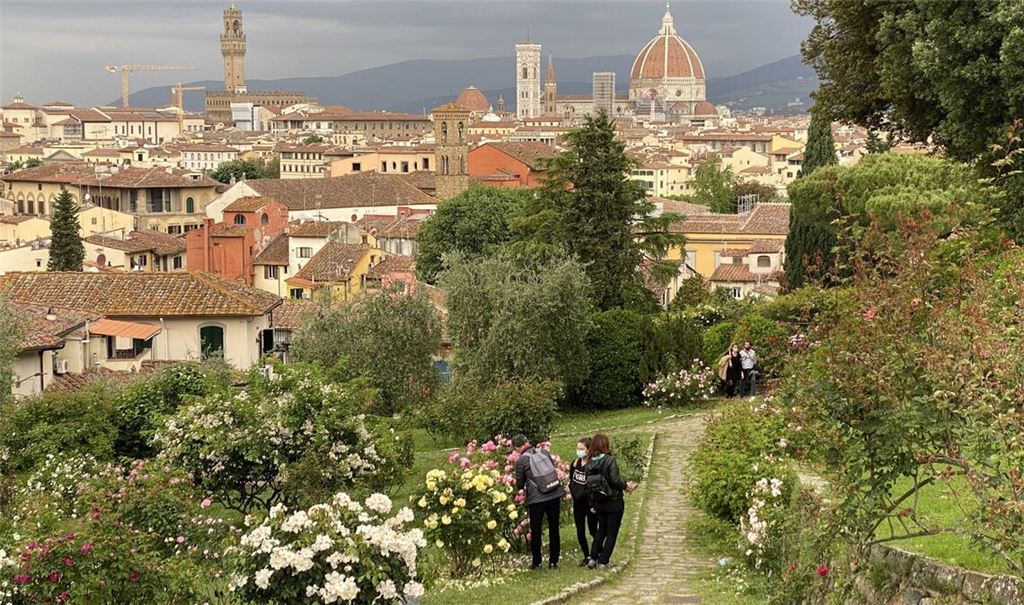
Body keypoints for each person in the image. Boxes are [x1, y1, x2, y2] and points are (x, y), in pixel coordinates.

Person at [513, 434, 562, 569]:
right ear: (527, 442)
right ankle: (553, 562)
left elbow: (520, 483)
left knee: (535, 530)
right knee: (554, 528)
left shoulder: (522, 461)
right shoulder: (544, 452)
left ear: (517, 447)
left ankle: (537, 562)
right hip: (554, 493)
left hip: (536, 499)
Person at [585, 434, 634, 569]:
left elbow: (588, 487)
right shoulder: (609, 460)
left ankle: (593, 558)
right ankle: (604, 561)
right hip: (613, 501)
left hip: (599, 502)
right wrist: (626, 486)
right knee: (612, 533)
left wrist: (592, 504)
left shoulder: (589, 464)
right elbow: (615, 480)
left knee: (601, 530)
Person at [569, 437, 598, 567]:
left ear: (588, 450)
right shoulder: (575, 464)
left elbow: (594, 486)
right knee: (580, 531)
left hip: (590, 503)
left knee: (593, 530)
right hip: (577, 504)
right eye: (578, 448)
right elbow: (572, 481)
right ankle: (586, 555)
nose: (579, 451)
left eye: (582, 449)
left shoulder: (593, 466)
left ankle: (596, 553)